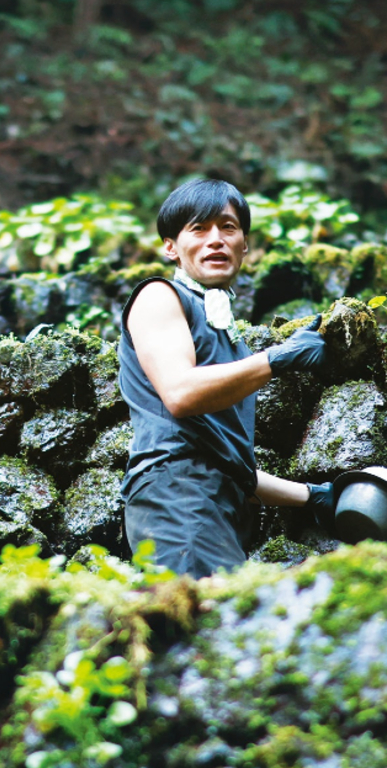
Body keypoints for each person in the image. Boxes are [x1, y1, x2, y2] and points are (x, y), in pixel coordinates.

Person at [119, 177, 342, 578]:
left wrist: (313, 498)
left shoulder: (228, 338)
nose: (216, 239)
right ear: (170, 247)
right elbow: (181, 394)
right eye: (198, 229)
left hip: (213, 504)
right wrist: (277, 358)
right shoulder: (160, 297)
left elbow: (228, 463)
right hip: (178, 499)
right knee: (207, 630)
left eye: (228, 227)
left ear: (245, 245)